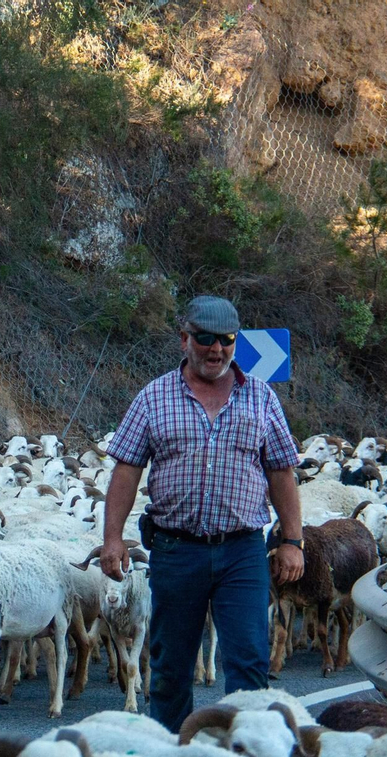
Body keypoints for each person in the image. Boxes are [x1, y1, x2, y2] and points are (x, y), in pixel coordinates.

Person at [98, 295, 304, 732]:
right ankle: (173, 753)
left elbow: (281, 471)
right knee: (170, 666)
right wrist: (112, 539)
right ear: (185, 340)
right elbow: (127, 469)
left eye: (226, 340)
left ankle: (247, 753)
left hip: (242, 551)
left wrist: (292, 540)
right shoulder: (154, 397)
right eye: (206, 338)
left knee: (249, 662)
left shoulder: (261, 397)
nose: (216, 349)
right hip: (177, 550)